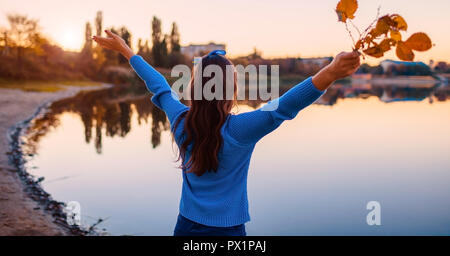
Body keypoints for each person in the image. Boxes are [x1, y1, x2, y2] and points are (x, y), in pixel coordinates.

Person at [93, 30, 360, 236]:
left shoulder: (180, 121)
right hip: (229, 230)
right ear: (231, 89)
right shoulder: (241, 129)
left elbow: (160, 87)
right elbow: (285, 106)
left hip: (186, 226)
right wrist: (331, 72)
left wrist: (127, 51)